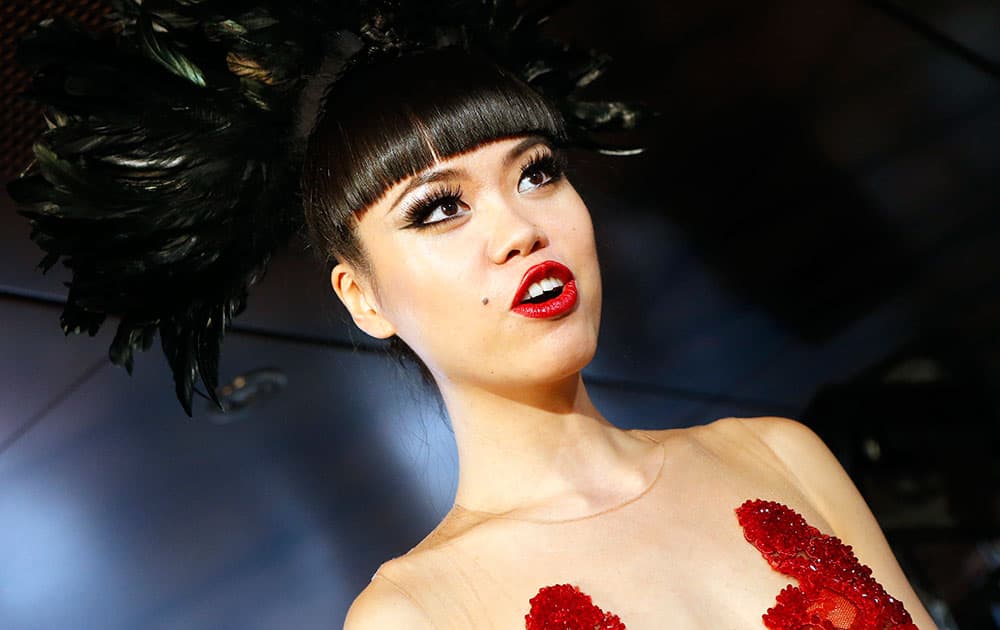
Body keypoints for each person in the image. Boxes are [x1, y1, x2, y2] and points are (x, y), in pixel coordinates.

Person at [9, 3, 938, 628]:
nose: (519, 229)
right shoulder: (415, 614)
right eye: (438, 208)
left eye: (537, 171)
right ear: (363, 298)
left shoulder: (779, 454)